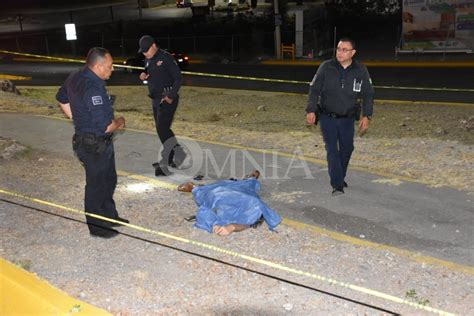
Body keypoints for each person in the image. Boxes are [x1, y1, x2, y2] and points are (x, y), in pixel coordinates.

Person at [56, 47, 128, 238]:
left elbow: (62, 99)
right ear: (98, 66)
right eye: (110, 66)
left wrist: (78, 120)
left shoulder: (76, 76)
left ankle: (109, 217)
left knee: (109, 179)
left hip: (96, 142)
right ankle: (97, 228)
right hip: (93, 144)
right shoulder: (92, 87)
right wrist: (120, 121)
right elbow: (106, 126)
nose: (112, 70)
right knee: (96, 185)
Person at [306, 37, 374, 196]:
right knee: (332, 150)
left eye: (344, 50)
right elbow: (314, 90)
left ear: (353, 52)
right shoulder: (326, 67)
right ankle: (337, 185)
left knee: (347, 148)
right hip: (327, 117)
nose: (340, 53)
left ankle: (339, 175)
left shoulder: (361, 70)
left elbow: (368, 95)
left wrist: (367, 116)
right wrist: (310, 110)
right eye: (338, 49)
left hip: (348, 118)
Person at [137, 35, 185, 176]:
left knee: (162, 129)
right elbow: (151, 73)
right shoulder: (148, 59)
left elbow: (178, 78)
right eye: (143, 51)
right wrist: (144, 76)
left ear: (153, 45)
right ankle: (176, 154)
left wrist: (170, 96)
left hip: (166, 98)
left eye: (147, 50)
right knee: (162, 130)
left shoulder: (166, 58)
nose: (145, 53)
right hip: (155, 99)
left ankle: (166, 161)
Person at [178, 171, 282, 236]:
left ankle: (194, 188)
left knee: (208, 195)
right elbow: (249, 221)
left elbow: (203, 212)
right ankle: (251, 179)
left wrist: (227, 227)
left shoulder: (250, 212)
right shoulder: (252, 209)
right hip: (235, 195)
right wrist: (230, 227)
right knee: (245, 188)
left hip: (220, 197)